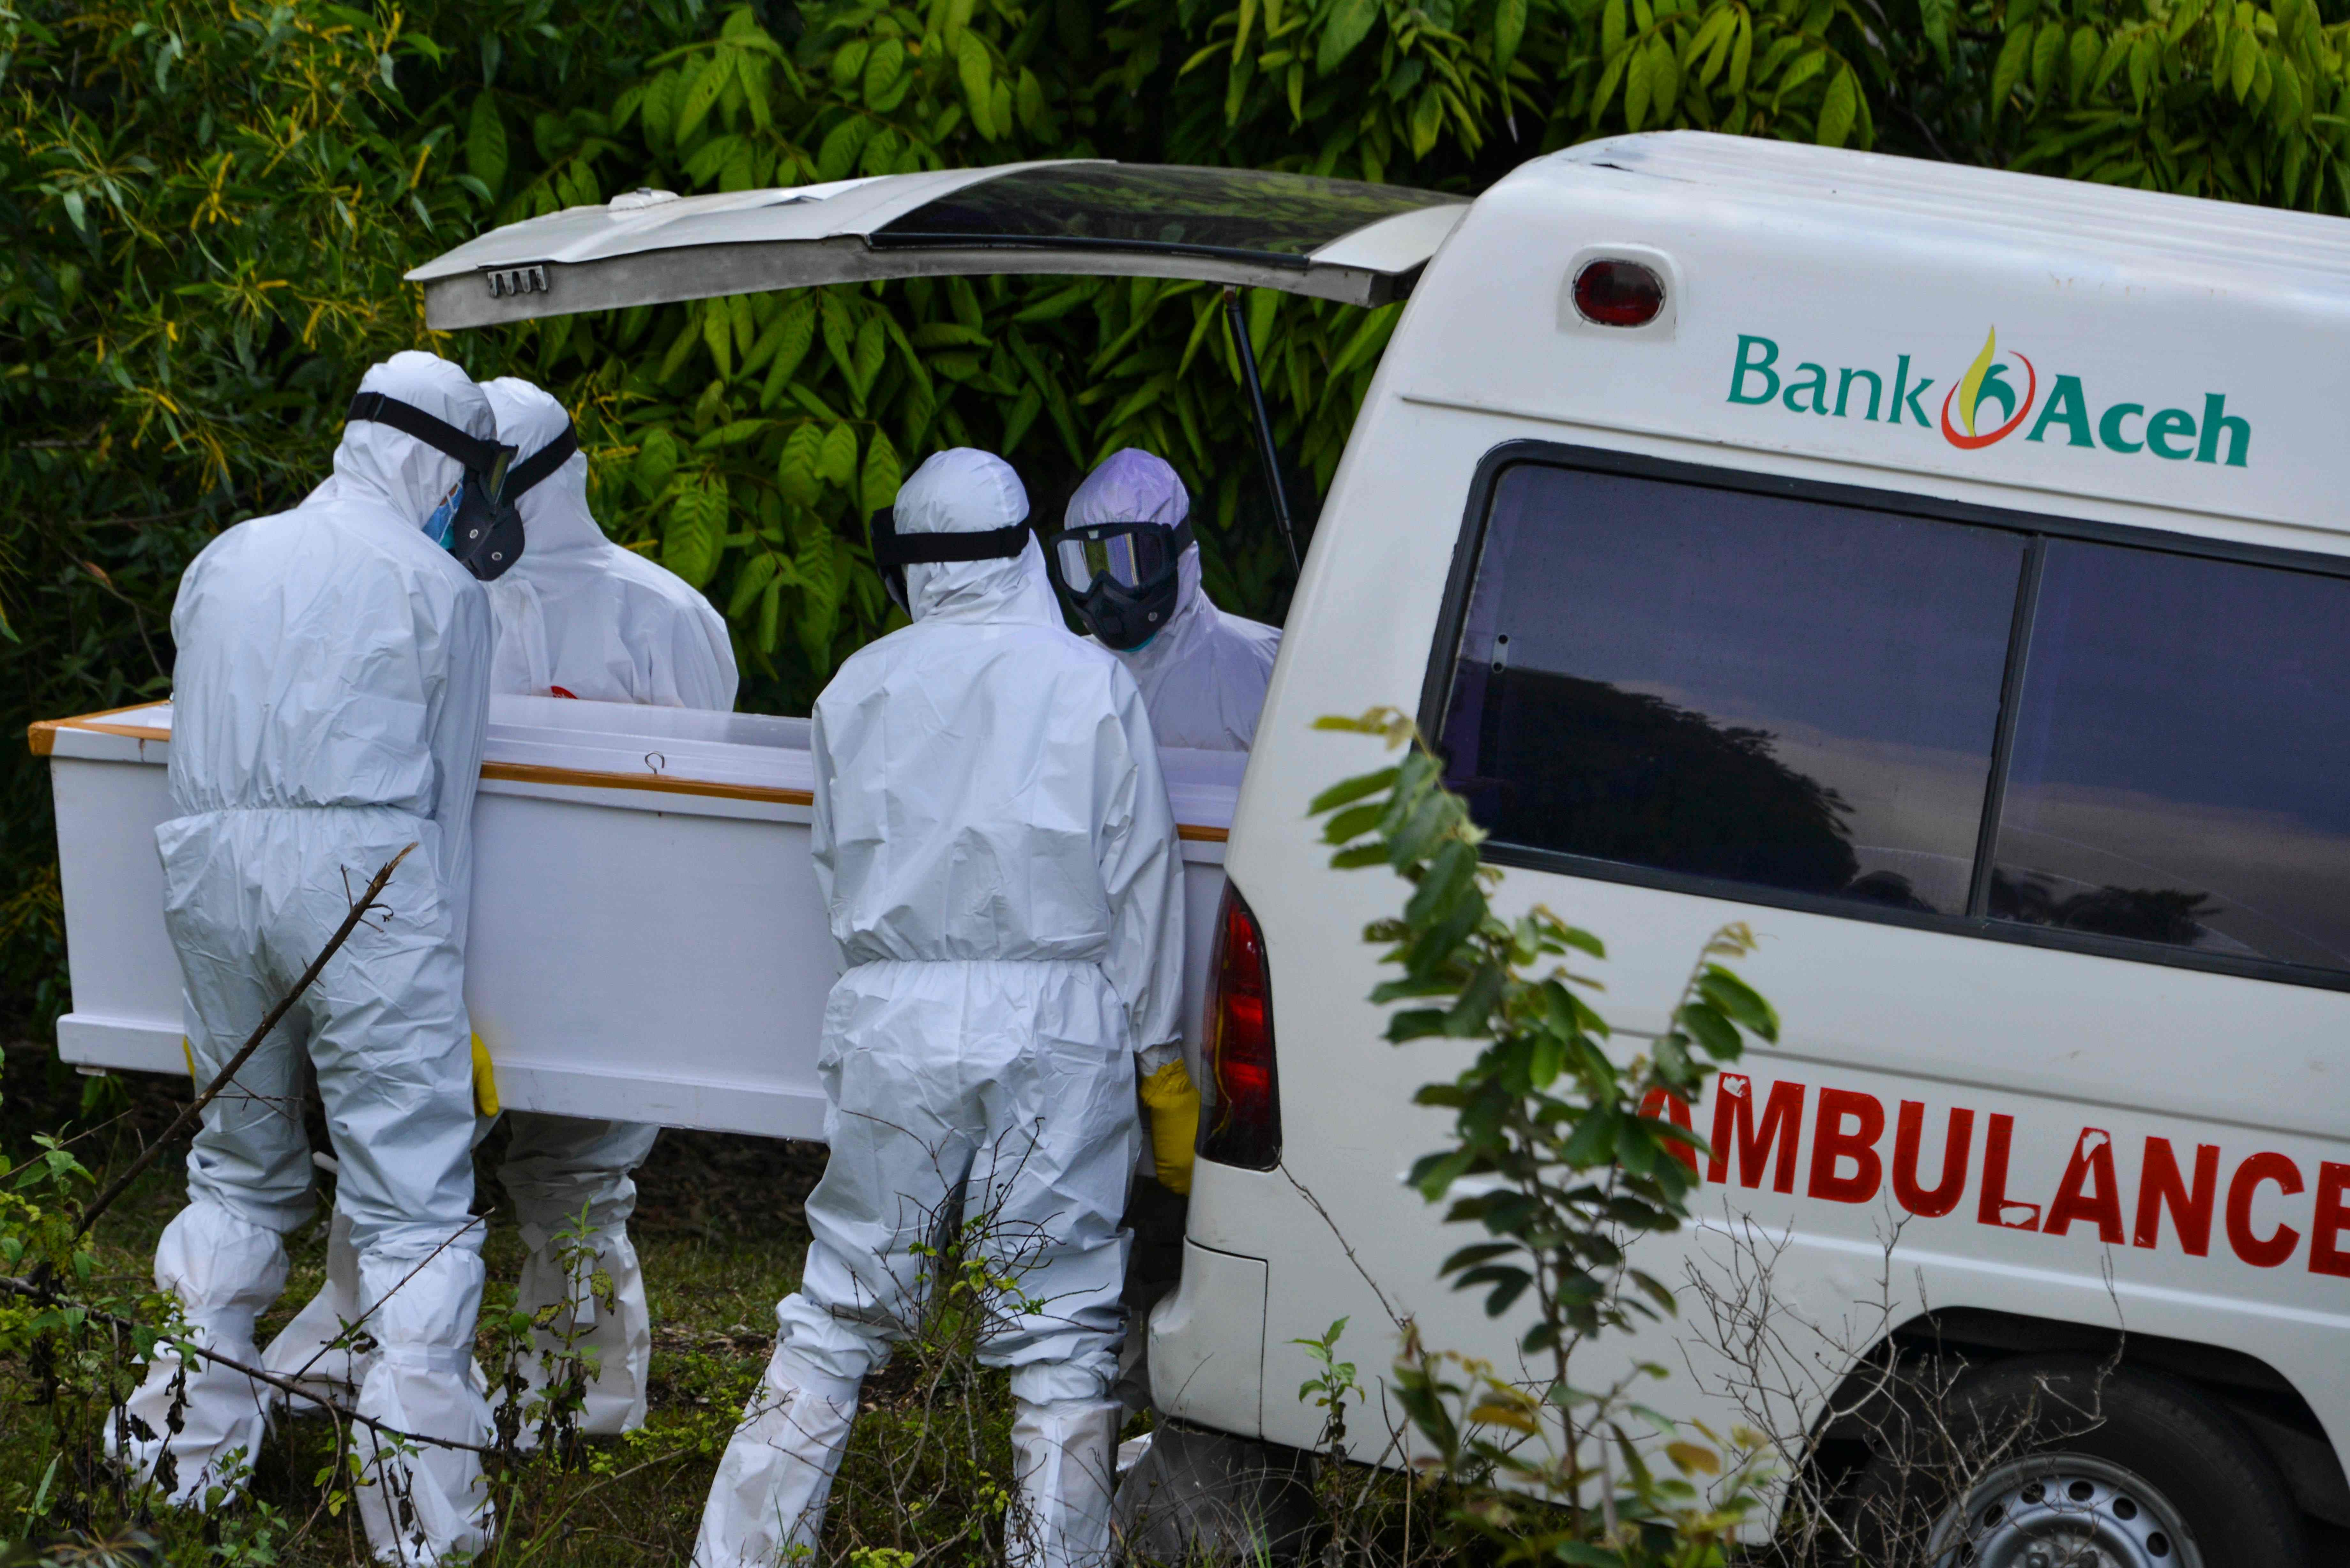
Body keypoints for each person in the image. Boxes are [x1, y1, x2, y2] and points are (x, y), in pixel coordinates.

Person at [694, 449, 1190, 1568]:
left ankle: (739, 1556)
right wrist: (1162, 1061)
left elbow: (834, 867)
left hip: (893, 1009)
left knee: (836, 1308)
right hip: (1058, 1022)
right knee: (1062, 1335)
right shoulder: (1090, 682)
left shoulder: (855, 687)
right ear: (1025, 551)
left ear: (909, 565)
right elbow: (1142, 888)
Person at [262, 376, 739, 1441]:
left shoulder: (661, 615)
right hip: (446, 943)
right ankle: (346, 1373)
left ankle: (573, 1410)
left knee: (578, 1174)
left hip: (606, 954)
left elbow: (701, 818)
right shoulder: (420, 595)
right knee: (398, 1157)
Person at [119, 350, 502, 1563]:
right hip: (367, 877)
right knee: (411, 1199)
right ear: (444, 466)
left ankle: (177, 1466)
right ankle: (423, 1519)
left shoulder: (225, 556)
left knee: (235, 1167)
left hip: (208, 870)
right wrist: (451, 986)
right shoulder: (441, 587)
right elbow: (452, 806)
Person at [1050, 448, 1281, 751]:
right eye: (1089, 566)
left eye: (1126, 564)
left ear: (1177, 554)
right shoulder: (1063, 681)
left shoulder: (1267, 672)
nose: (1104, 591)